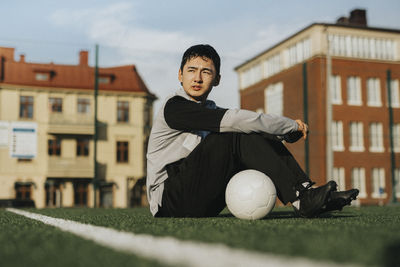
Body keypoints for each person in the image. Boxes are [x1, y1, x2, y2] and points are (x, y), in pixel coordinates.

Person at [146, 44, 358, 218]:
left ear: (217, 79)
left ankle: (305, 193)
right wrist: (288, 126)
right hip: (169, 201)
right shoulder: (175, 108)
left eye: (206, 72)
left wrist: (280, 134)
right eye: (191, 71)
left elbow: (247, 125)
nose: (197, 78)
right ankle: (302, 198)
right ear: (180, 75)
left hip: (204, 199)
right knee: (237, 130)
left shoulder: (209, 110)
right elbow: (238, 121)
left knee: (249, 129)